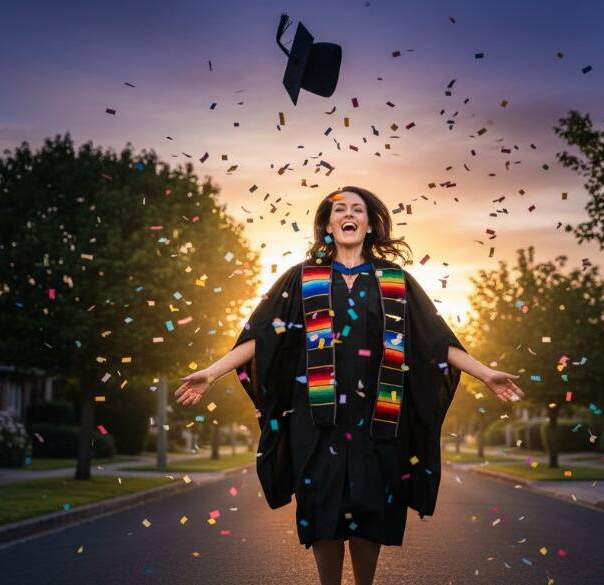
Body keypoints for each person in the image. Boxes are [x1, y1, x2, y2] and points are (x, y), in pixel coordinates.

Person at [174, 186, 524, 585]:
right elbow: (262, 338)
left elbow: (435, 342)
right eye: (339, 209)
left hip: (379, 417)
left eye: (357, 209)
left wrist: (485, 373)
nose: (348, 214)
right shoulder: (303, 278)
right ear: (327, 224)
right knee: (323, 506)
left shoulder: (394, 281)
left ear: (371, 224)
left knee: (370, 508)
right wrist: (211, 372)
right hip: (317, 417)